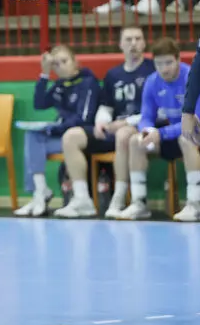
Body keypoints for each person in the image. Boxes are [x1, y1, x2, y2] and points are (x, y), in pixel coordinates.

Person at [55, 26, 154, 218]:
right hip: (113, 129)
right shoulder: (113, 75)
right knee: (71, 136)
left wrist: (126, 123)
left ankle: (119, 197)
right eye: (128, 39)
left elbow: (155, 110)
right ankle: (83, 200)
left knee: (124, 135)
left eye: (137, 39)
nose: (133, 44)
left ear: (143, 43)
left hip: (141, 129)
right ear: (120, 45)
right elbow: (106, 106)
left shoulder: (151, 69)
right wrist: (101, 122)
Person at [15, 44, 100, 217]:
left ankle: (43, 194)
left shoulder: (88, 83)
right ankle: (40, 191)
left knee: (42, 134)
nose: (61, 66)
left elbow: (84, 119)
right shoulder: (60, 85)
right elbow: (39, 104)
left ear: (76, 61)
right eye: (56, 64)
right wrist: (44, 74)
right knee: (32, 135)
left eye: (64, 61)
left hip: (82, 136)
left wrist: (53, 129)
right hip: (62, 134)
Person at [127, 38, 200, 220]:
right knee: (135, 141)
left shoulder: (193, 78)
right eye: (158, 63)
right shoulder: (152, 82)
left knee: (187, 137)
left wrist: (160, 133)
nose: (164, 68)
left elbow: (196, 120)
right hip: (170, 135)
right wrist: (147, 131)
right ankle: (139, 203)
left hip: (196, 134)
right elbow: (146, 116)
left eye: (168, 62)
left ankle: (195, 204)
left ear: (178, 59)